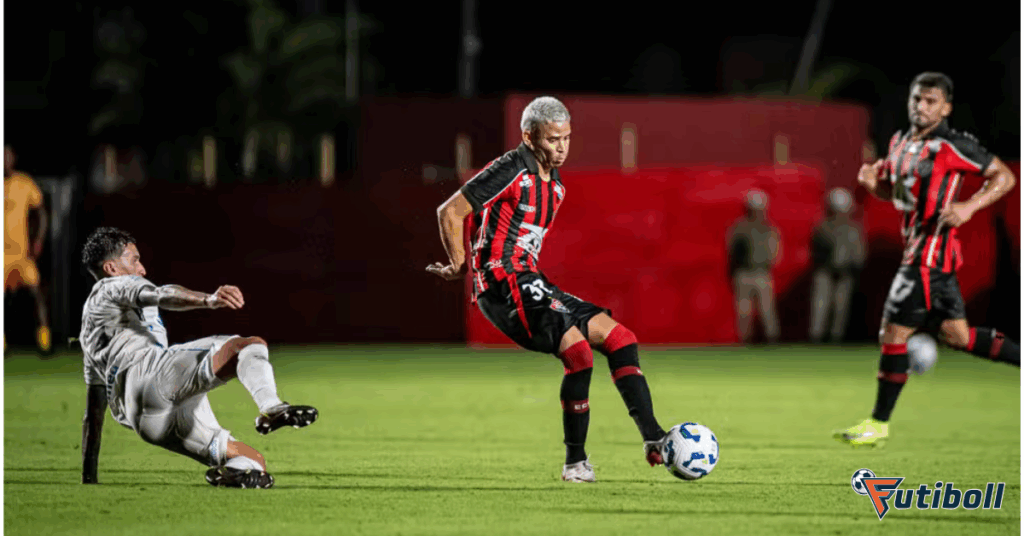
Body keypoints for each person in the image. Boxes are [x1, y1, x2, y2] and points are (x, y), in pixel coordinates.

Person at [426, 96, 669, 483]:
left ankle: (654, 439)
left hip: (529, 280)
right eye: (553, 139)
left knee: (621, 338)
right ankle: (575, 464)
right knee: (578, 353)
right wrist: (459, 264)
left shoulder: (554, 185)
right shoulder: (511, 168)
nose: (561, 147)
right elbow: (450, 211)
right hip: (502, 283)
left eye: (567, 139)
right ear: (528, 136)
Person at [835, 72, 1020, 448]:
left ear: (946, 107)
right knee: (959, 337)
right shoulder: (900, 143)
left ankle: (878, 423)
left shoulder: (953, 145)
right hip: (925, 257)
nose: (921, 106)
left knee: (893, 333)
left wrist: (969, 206)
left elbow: (1003, 177)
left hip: (928, 258)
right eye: (917, 99)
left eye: (931, 101)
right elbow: (898, 195)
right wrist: (874, 183)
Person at [79, 227, 319, 488]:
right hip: (151, 377)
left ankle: (232, 474)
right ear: (111, 268)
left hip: (144, 421)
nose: (142, 269)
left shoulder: (88, 331)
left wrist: (88, 476)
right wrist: (209, 300)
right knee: (248, 346)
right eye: (134, 260)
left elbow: (94, 408)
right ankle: (272, 408)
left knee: (253, 461)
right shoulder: (112, 286)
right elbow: (162, 293)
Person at [4, 145, 50, 353]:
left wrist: (38, 239)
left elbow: (41, 211)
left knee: (36, 294)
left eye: (7, 156)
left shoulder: (24, 183)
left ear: (13, 159)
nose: (4, 160)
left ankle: (44, 338)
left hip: (21, 254)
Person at [809, 187, 866, 343]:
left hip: (845, 274)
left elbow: (859, 253)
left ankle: (836, 338)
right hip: (825, 273)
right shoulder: (822, 227)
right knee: (820, 306)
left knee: (841, 308)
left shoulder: (853, 229)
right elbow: (815, 252)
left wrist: (853, 267)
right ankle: (817, 338)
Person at [727, 189, 781, 344]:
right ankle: (745, 341)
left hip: (762, 273)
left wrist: (770, 262)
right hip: (743, 273)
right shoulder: (740, 228)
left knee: (767, 311)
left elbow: (775, 249)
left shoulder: (769, 228)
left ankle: (771, 340)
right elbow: (732, 250)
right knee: (743, 312)